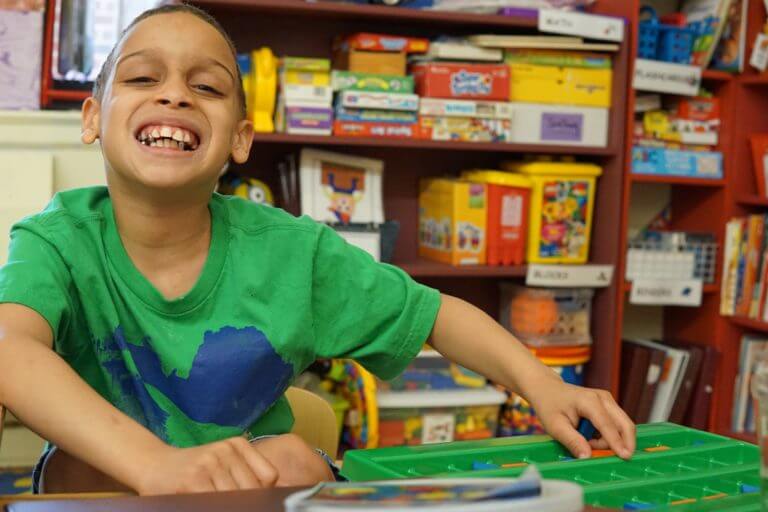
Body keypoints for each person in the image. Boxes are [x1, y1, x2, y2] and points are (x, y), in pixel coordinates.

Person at [0, 4, 634, 496]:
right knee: (74, 472)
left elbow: (434, 314)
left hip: (251, 481)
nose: (174, 95)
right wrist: (156, 466)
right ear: (91, 119)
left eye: (209, 88)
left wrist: (544, 385)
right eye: (142, 77)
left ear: (240, 141)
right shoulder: (56, 238)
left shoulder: (293, 252)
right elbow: (8, 349)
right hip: (112, 479)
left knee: (293, 458)